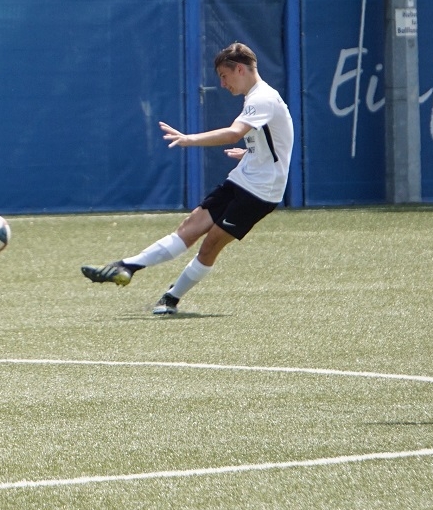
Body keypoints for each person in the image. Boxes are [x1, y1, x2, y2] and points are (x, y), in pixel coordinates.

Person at [81, 42, 293, 315]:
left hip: (261, 193)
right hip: (242, 180)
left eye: (224, 76)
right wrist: (250, 153)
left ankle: (171, 298)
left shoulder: (262, 98)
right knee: (189, 228)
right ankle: (127, 266)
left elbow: (233, 133)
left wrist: (189, 139)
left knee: (210, 245)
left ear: (240, 69)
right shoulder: (256, 97)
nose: (222, 84)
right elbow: (277, 140)